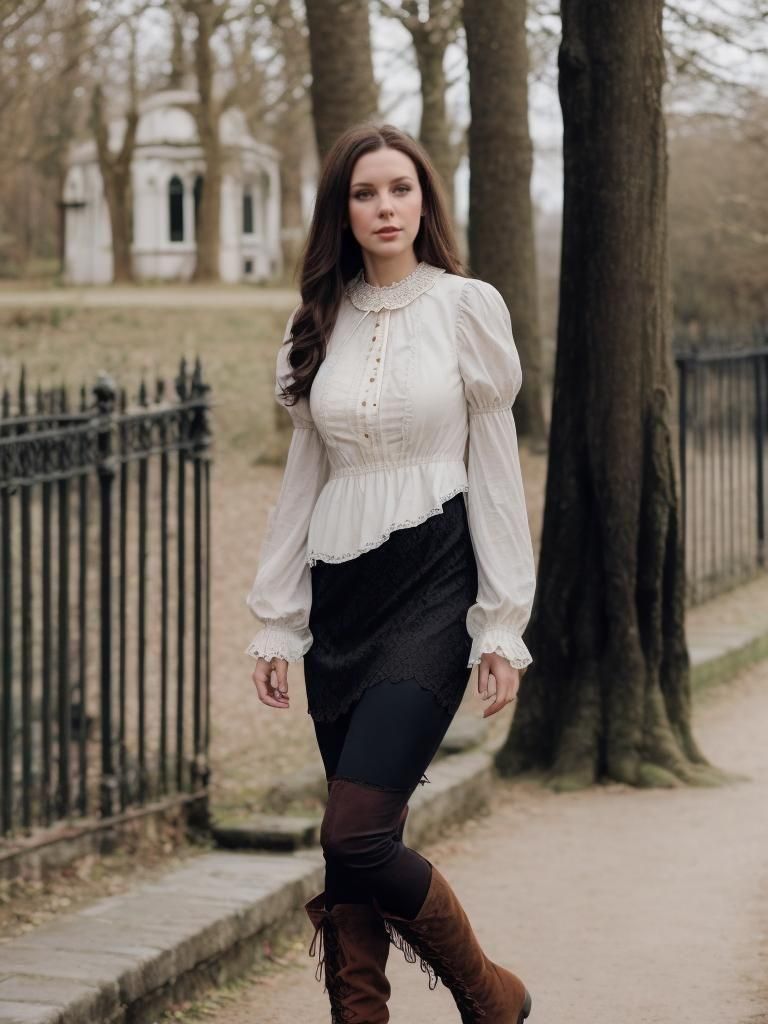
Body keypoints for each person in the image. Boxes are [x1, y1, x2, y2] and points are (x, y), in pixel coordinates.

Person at [244, 122, 537, 1024]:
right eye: (365, 193)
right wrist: (278, 618)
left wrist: (499, 624)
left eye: (399, 190)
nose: (384, 207)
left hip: (434, 584)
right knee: (353, 852)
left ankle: (489, 996)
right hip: (343, 597)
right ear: (343, 210)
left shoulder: (465, 308)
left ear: (424, 203)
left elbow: (494, 470)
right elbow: (302, 482)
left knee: (356, 833)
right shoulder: (316, 323)